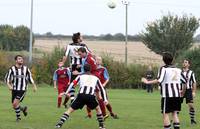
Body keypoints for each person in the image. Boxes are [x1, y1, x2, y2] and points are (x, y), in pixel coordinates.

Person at [141, 52, 186, 129]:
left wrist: (147, 82)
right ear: (172, 60)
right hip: (177, 96)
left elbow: (159, 80)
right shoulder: (178, 70)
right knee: (175, 114)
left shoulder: (163, 68)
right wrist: (182, 92)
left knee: (165, 114)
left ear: (163, 60)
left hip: (167, 96)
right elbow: (185, 81)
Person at [55, 64, 108, 129]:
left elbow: (72, 84)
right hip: (90, 96)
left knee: (70, 110)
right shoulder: (96, 78)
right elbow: (102, 89)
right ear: (90, 70)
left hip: (81, 96)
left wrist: (66, 92)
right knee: (98, 109)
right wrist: (105, 99)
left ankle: (59, 124)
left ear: (83, 69)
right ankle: (101, 126)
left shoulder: (80, 76)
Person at [5, 55, 37, 122]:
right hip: (14, 89)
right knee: (14, 106)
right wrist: (9, 86)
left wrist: (34, 86)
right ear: (16, 60)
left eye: (22, 59)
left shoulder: (26, 69)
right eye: (19, 59)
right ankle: (23, 109)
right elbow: (7, 79)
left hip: (22, 89)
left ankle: (18, 118)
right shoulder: (12, 69)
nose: (21, 60)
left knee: (15, 104)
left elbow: (30, 78)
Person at [62, 32, 91, 102]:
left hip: (74, 66)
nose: (82, 38)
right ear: (78, 39)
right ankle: (77, 98)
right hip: (83, 65)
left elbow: (65, 55)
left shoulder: (69, 45)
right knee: (84, 82)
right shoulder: (83, 46)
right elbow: (90, 54)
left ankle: (72, 98)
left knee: (73, 83)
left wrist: (62, 62)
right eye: (81, 37)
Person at [182, 59, 197, 124]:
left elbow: (194, 82)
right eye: (183, 62)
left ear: (189, 65)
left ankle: (192, 120)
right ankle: (173, 120)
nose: (184, 63)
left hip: (188, 90)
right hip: (180, 90)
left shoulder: (191, 72)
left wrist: (193, 91)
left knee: (191, 105)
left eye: (186, 62)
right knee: (176, 105)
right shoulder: (179, 72)